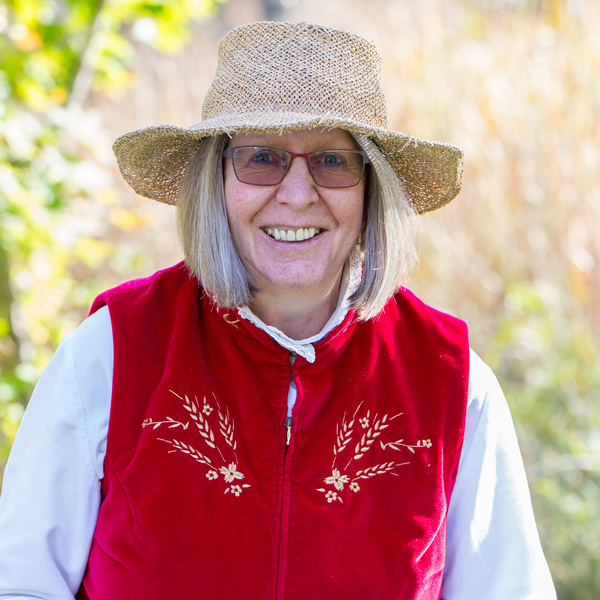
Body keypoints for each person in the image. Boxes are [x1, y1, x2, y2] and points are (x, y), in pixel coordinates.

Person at [0, 20, 555, 600]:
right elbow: (21, 586)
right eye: (261, 158)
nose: (296, 193)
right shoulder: (110, 353)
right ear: (215, 181)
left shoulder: (452, 383)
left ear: (371, 187)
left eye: (332, 161)